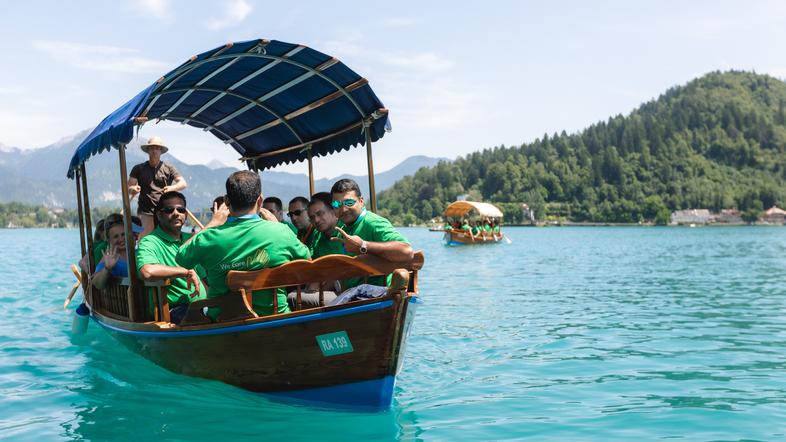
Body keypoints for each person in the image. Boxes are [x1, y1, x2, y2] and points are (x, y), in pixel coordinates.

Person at [176, 171, 310, 318]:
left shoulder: (209, 237)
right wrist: (277, 226)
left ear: (226, 201)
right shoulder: (281, 232)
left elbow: (181, 257)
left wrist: (212, 224)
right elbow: (307, 259)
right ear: (260, 200)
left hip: (225, 323)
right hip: (275, 320)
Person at [136, 191, 206, 324]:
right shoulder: (150, 241)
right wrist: (185, 272)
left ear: (185, 214)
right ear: (159, 215)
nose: (176, 213)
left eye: (181, 209)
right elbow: (147, 271)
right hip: (176, 310)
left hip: (202, 305)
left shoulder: (190, 239)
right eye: (169, 210)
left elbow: (204, 279)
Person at [329, 178, 413, 289]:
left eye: (349, 203)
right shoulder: (342, 226)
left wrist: (363, 245)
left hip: (375, 296)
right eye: (337, 204)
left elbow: (407, 251)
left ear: (361, 201)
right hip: (351, 295)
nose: (343, 209)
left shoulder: (373, 222)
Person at [286, 192, 343, 308]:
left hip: (343, 286)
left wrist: (316, 289)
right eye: (312, 217)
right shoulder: (318, 237)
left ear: (333, 211)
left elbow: (341, 270)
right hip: (320, 286)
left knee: (293, 297)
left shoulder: (345, 232)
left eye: (320, 214)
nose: (316, 220)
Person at [128, 136, 187, 237]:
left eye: (157, 148)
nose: (154, 151)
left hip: (166, 213)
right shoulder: (138, 168)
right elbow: (128, 188)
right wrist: (133, 189)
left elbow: (183, 183)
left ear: (161, 151)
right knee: (145, 240)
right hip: (146, 213)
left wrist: (172, 188)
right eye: (152, 148)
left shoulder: (169, 168)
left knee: (166, 239)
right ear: (148, 151)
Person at [92, 215, 134, 289]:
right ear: (108, 240)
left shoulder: (137, 252)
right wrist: (107, 269)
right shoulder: (110, 258)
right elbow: (97, 283)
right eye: (116, 236)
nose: (121, 239)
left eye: (123, 234)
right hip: (124, 298)